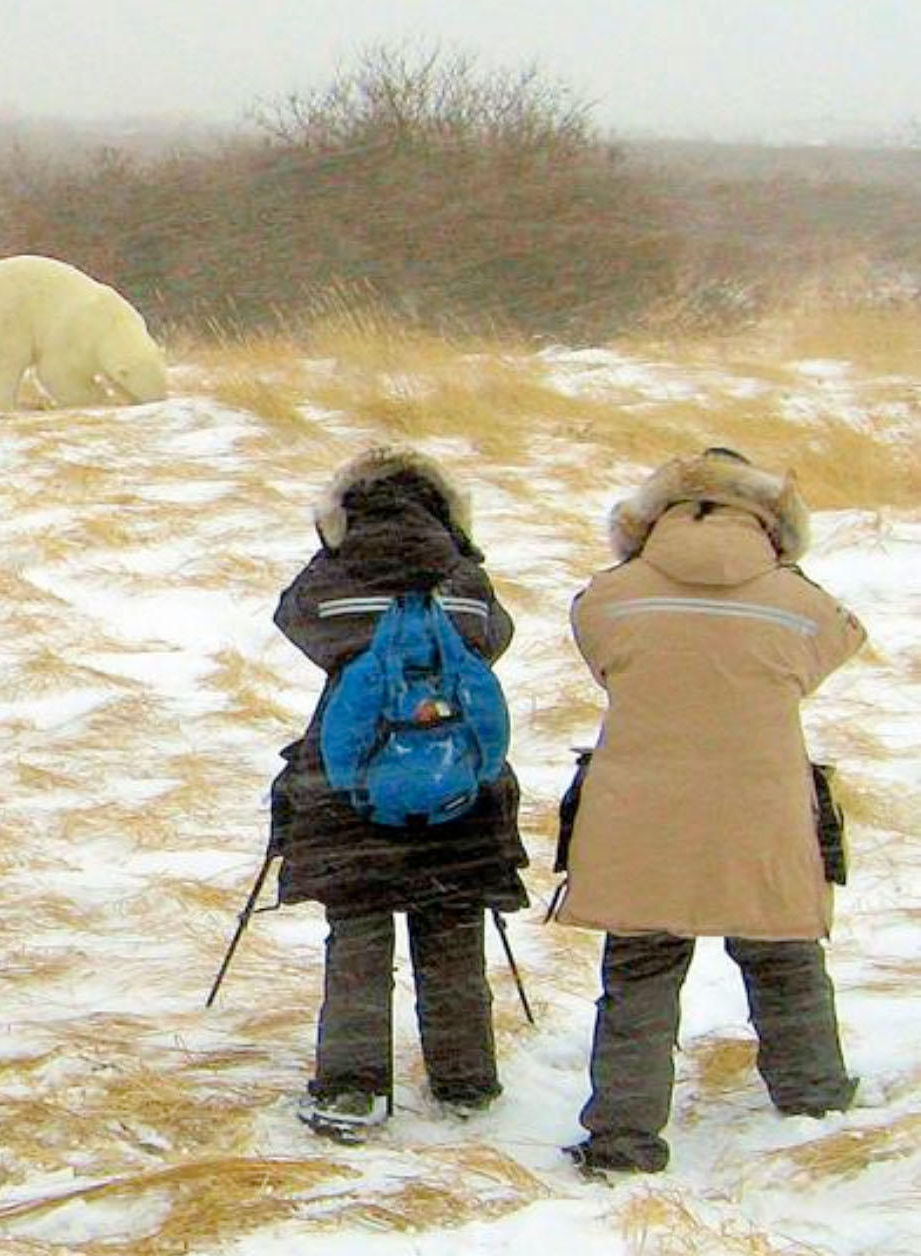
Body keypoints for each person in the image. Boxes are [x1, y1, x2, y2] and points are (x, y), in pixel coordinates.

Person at [557, 447, 866, 1175]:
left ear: (650, 516)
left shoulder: (611, 593)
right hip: (760, 806)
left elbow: (599, 656)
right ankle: (813, 1107)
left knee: (637, 974)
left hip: (640, 809)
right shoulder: (799, 600)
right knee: (784, 957)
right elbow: (840, 641)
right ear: (769, 521)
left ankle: (622, 1138)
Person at [270, 446, 527, 1141]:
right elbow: (493, 639)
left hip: (347, 787)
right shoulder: (464, 577)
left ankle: (351, 1089)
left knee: (356, 935)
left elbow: (294, 623)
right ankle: (464, 1079)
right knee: (451, 932)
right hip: (458, 788)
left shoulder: (333, 576)